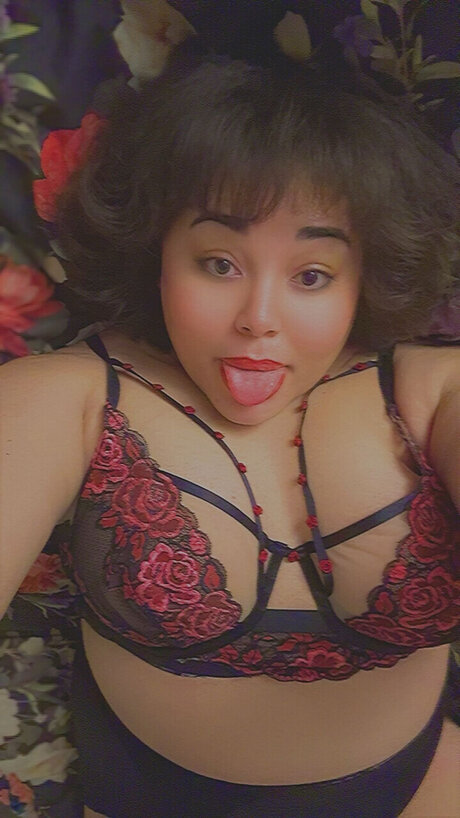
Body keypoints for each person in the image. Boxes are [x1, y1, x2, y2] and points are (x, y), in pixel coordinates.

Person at [1, 38, 459, 818]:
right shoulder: (68, 396)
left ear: (364, 278)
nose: (258, 319)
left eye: (311, 275)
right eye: (218, 263)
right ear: (158, 253)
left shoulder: (432, 391)